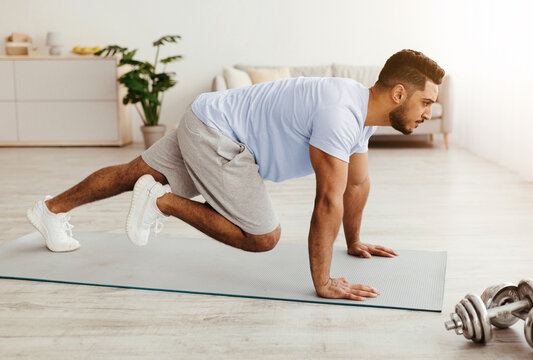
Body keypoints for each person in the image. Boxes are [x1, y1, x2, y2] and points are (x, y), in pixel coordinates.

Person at [26, 49, 445, 301]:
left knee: (131, 172)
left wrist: (352, 242)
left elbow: (356, 183)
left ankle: (50, 210)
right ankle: (160, 200)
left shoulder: (359, 112)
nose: (429, 113)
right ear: (398, 93)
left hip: (204, 116)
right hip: (221, 138)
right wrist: (324, 281)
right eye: (426, 102)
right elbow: (327, 200)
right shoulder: (341, 114)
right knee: (264, 237)